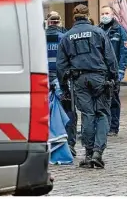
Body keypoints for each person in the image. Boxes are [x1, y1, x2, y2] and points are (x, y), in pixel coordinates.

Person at [56, 4, 119, 169]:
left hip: (80, 79)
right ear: (87, 15)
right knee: (103, 114)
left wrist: (64, 88)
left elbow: (61, 66)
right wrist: (114, 79)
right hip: (100, 78)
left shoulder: (67, 36)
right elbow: (110, 58)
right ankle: (98, 152)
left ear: (74, 17)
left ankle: (89, 153)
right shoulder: (99, 32)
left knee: (87, 115)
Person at [46, 12, 77, 157]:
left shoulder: (38, 38)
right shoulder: (65, 38)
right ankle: (69, 143)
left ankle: (47, 143)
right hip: (62, 79)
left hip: (43, 79)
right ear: (59, 22)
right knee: (69, 110)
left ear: (48, 22)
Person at [98, 5, 127, 136]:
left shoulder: (120, 31)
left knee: (113, 99)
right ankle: (102, 125)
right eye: (103, 13)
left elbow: (124, 52)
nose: (104, 16)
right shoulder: (98, 30)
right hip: (100, 70)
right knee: (100, 99)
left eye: (107, 13)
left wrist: (121, 70)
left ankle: (113, 127)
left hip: (114, 71)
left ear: (113, 15)